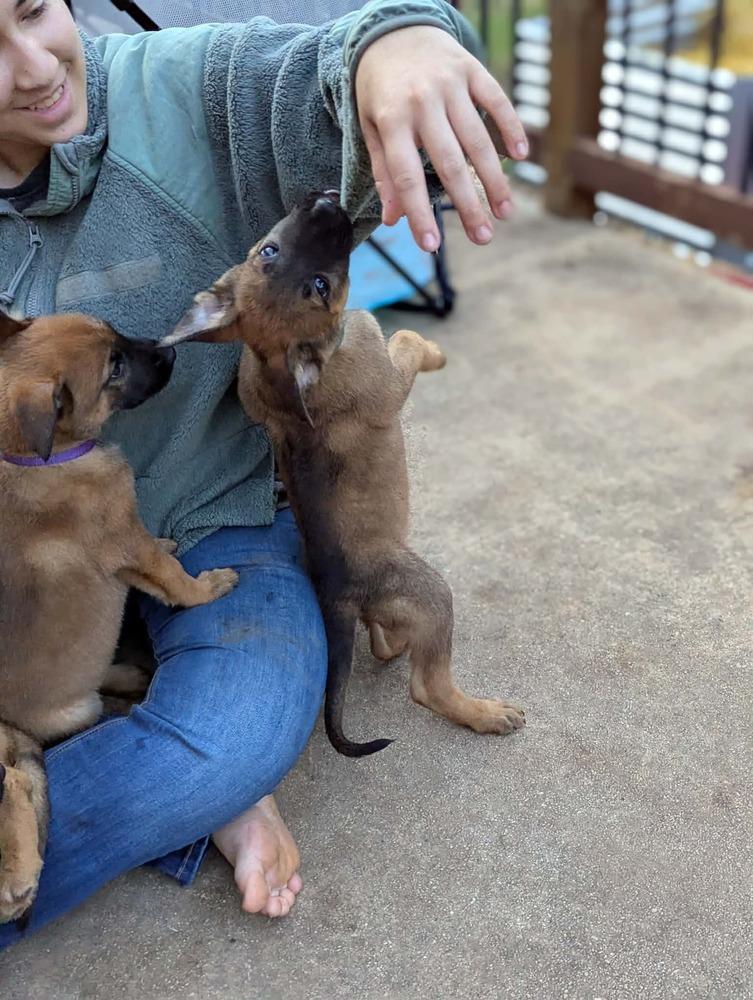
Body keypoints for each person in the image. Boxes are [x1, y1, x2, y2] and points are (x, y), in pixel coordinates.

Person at [0, 0, 527, 944]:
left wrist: (395, 45)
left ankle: (191, 786)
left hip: (216, 522)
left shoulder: (173, 90)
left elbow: (317, 69)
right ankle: (184, 795)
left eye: (32, 10)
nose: (32, 66)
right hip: (30, 553)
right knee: (208, 757)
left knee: (239, 732)